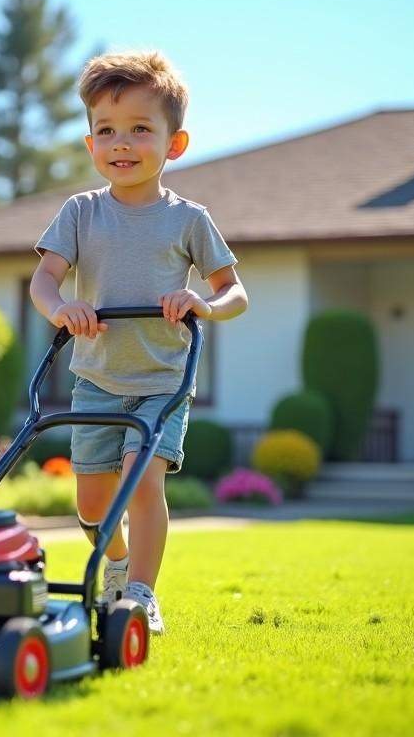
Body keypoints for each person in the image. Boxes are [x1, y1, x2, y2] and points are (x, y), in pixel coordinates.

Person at [29, 51, 249, 634]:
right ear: (90, 143)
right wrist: (61, 307)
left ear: (174, 144)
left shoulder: (189, 221)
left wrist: (204, 303)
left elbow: (235, 292)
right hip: (95, 377)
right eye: (107, 131)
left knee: (142, 481)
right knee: (93, 505)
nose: (121, 144)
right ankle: (117, 565)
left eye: (139, 130)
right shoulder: (79, 213)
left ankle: (142, 596)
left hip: (162, 381)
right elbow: (45, 279)